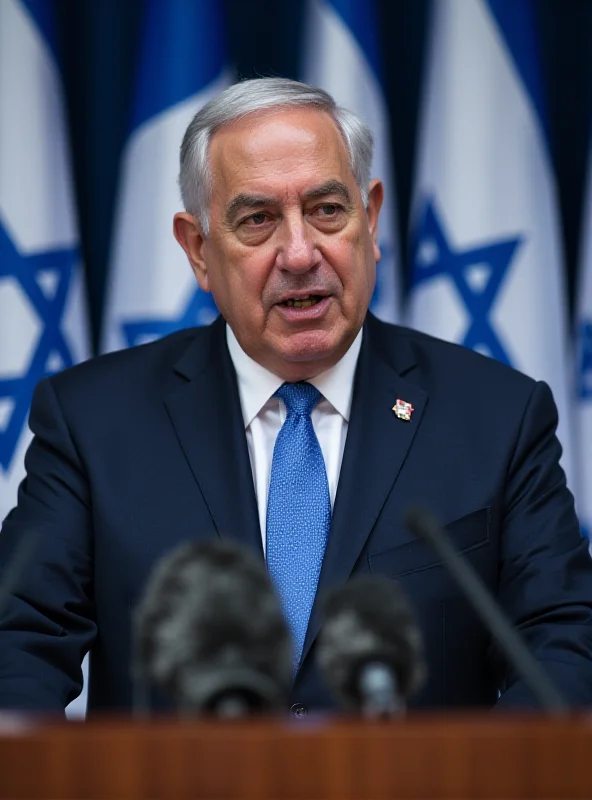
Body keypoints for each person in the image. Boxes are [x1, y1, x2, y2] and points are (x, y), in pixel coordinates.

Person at [1, 77, 591, 714]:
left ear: (371, 217)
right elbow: (19, 646)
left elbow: (562, 643)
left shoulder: (497, 417)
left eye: (327, 210)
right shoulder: (94, 422)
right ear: (198, 250)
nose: (300, 252)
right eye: (258, 220)